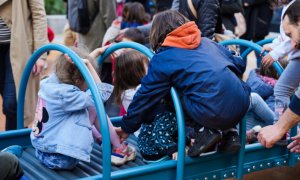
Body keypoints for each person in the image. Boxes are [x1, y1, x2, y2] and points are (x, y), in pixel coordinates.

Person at [116, 10, 251, 157]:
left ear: (157, 33)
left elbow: (146, 95)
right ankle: (230, 134)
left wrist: (127, 127)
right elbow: (239, 64)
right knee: (218, 83)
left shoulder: (163, 58)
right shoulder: (207, 42)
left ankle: (202, 131)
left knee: (171, 91)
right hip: (242, 102)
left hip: (211, 111)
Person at [30, 47, 136, 169]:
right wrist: (88, 65)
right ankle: (119, 147)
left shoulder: (51, 83)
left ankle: (105, 139)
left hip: (42, 150)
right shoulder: (67, 95)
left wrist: (93, 55)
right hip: (62, 158)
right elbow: (101, 94)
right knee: (95, 106)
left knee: (87, 107)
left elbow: (72, 68)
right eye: (87, 79)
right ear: (77, 80)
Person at [0, 0, 48, 130]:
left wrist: (40, 53)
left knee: (12, 103)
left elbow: (38, 14)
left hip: (18, 46)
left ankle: (13, 147)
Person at [258, 1, 300, 149]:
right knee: (281, 89)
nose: (292, 42)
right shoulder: (290, 9)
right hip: (296, 57)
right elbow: (286, 37)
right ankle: (282, 129)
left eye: (291, 35)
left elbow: (289, 40)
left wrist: (280, 128)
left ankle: (282, 129)